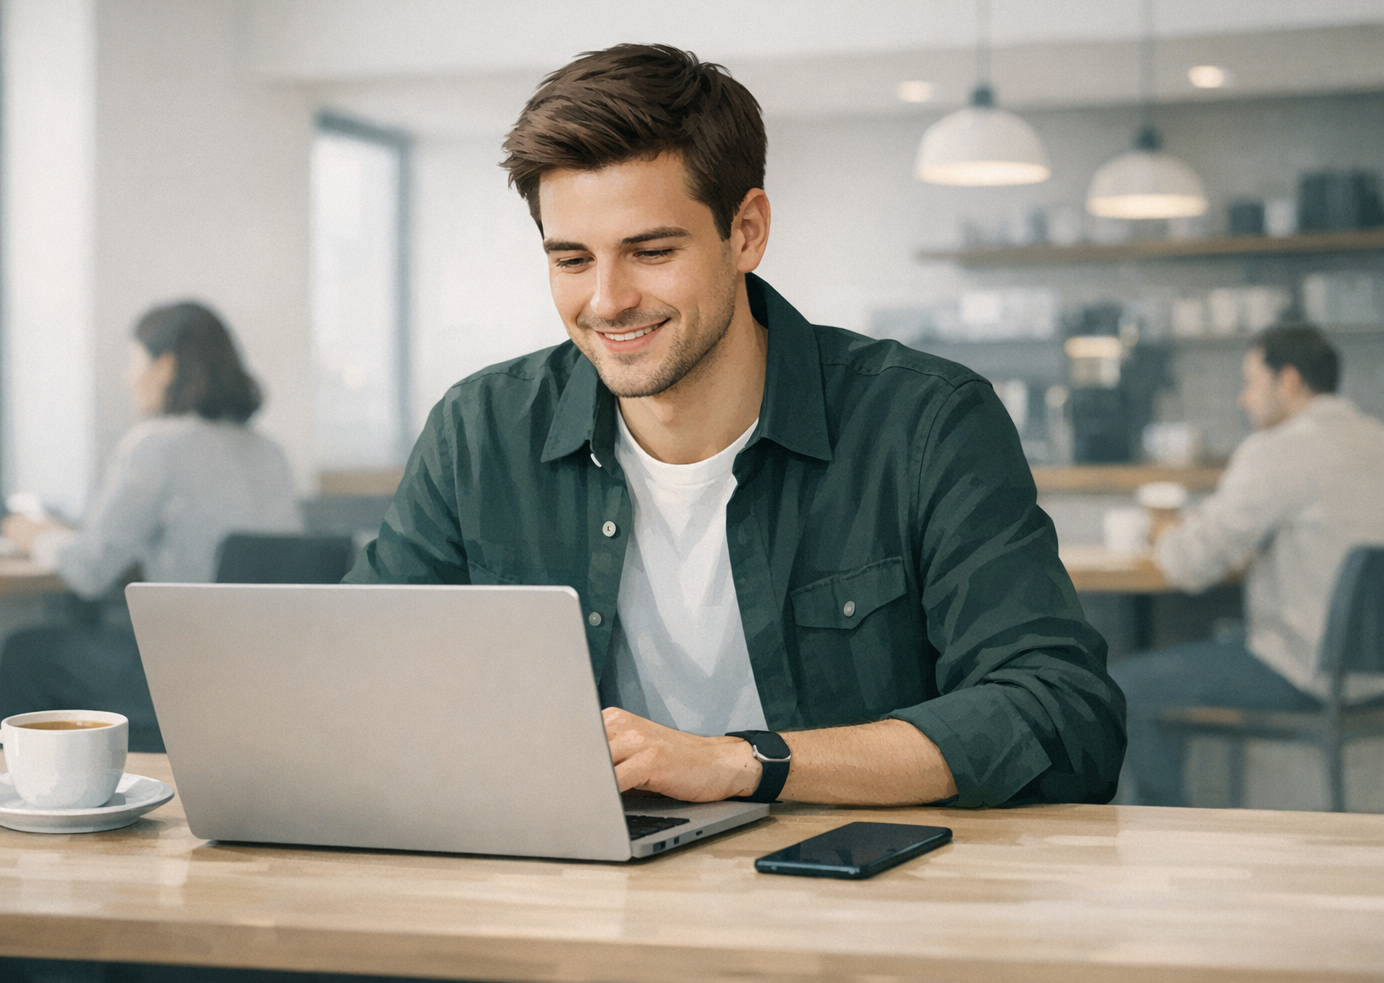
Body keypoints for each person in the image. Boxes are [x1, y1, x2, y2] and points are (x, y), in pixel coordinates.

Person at [345, 44, 1124, 808]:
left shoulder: (925, 422)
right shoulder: (478, 432)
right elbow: (357, 680)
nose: (607, 300)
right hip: (575, 872)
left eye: (650, 251)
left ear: (746, 231)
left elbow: (1061, 717)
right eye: (572, 260)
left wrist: (744, 763)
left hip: (857, 874)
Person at [0, 300, 301, 750]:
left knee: (27, 655)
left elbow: (90, 571)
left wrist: (35, 535)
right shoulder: (270, 453)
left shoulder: (157, 446)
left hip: (184, 670)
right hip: (269, 673)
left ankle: (14, 785)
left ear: (165, 366)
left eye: (134, 361)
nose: (128, 377)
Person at [1115, 324, 1384, 805]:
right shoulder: (1376, 439)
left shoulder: (1279, 449)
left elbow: (1191, 565)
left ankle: (1170, 833)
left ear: (1290, 381)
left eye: (1251, 383)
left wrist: (1163, 532)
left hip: (1307, 676)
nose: (1243, 399)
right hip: (1372, 673)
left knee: (1122, 688)